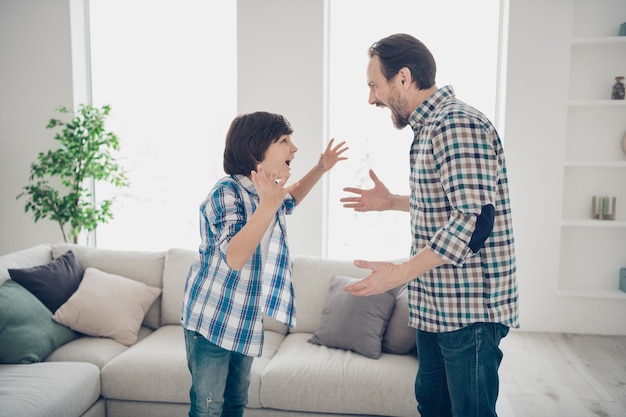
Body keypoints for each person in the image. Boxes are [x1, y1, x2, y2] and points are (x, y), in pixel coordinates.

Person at [341, 33, 519, 417]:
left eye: (374, 85)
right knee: (432, 407)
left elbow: (474, 221)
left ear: (403, 77)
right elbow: (451, 205)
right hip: (436, 306)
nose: (371, 98)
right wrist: (391, 203)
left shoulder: (456, 124)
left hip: (468, 311)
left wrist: (398, 274)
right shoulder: (428, 129)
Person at [181, 111, 348, 417]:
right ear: (256, 149)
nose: (294, 149)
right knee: (208, 409)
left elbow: (291, 198)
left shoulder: (266, 194)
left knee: (236, 402)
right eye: (284, 141)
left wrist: (321, 168)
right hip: (211, 320)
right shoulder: (226, 192)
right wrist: (267, 206)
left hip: (244, 318)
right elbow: (234, 256)